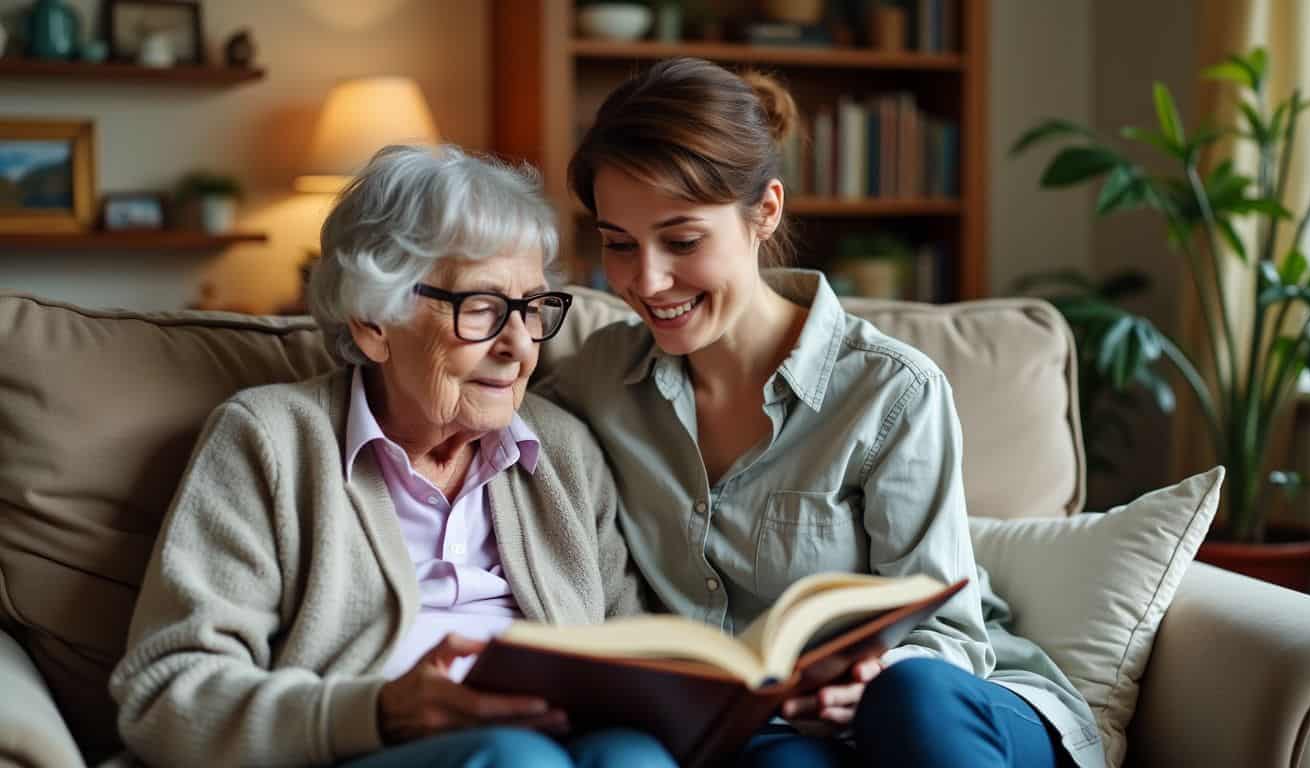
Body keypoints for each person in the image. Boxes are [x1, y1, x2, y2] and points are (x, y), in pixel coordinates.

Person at [538, 58, 1106, 768]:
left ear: (765, 211)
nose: (646, 281)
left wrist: (871, 676)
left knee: (911, 693)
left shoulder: (890, 392)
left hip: (953, 706)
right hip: (779, 732)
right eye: (618, 243)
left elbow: (950, 633)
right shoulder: (598, 379)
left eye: (682, 241)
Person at [109, 145, 675, 768]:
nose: (518, 346)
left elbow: (633, 646)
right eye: (482, 309)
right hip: (362, 752)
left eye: (533, 307)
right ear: (372, 322)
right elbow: (165, 692)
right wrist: (380, 712)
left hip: (555, 741)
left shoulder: (564, 451)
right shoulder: (271, 441)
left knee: (635, 757)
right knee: (514, 760)